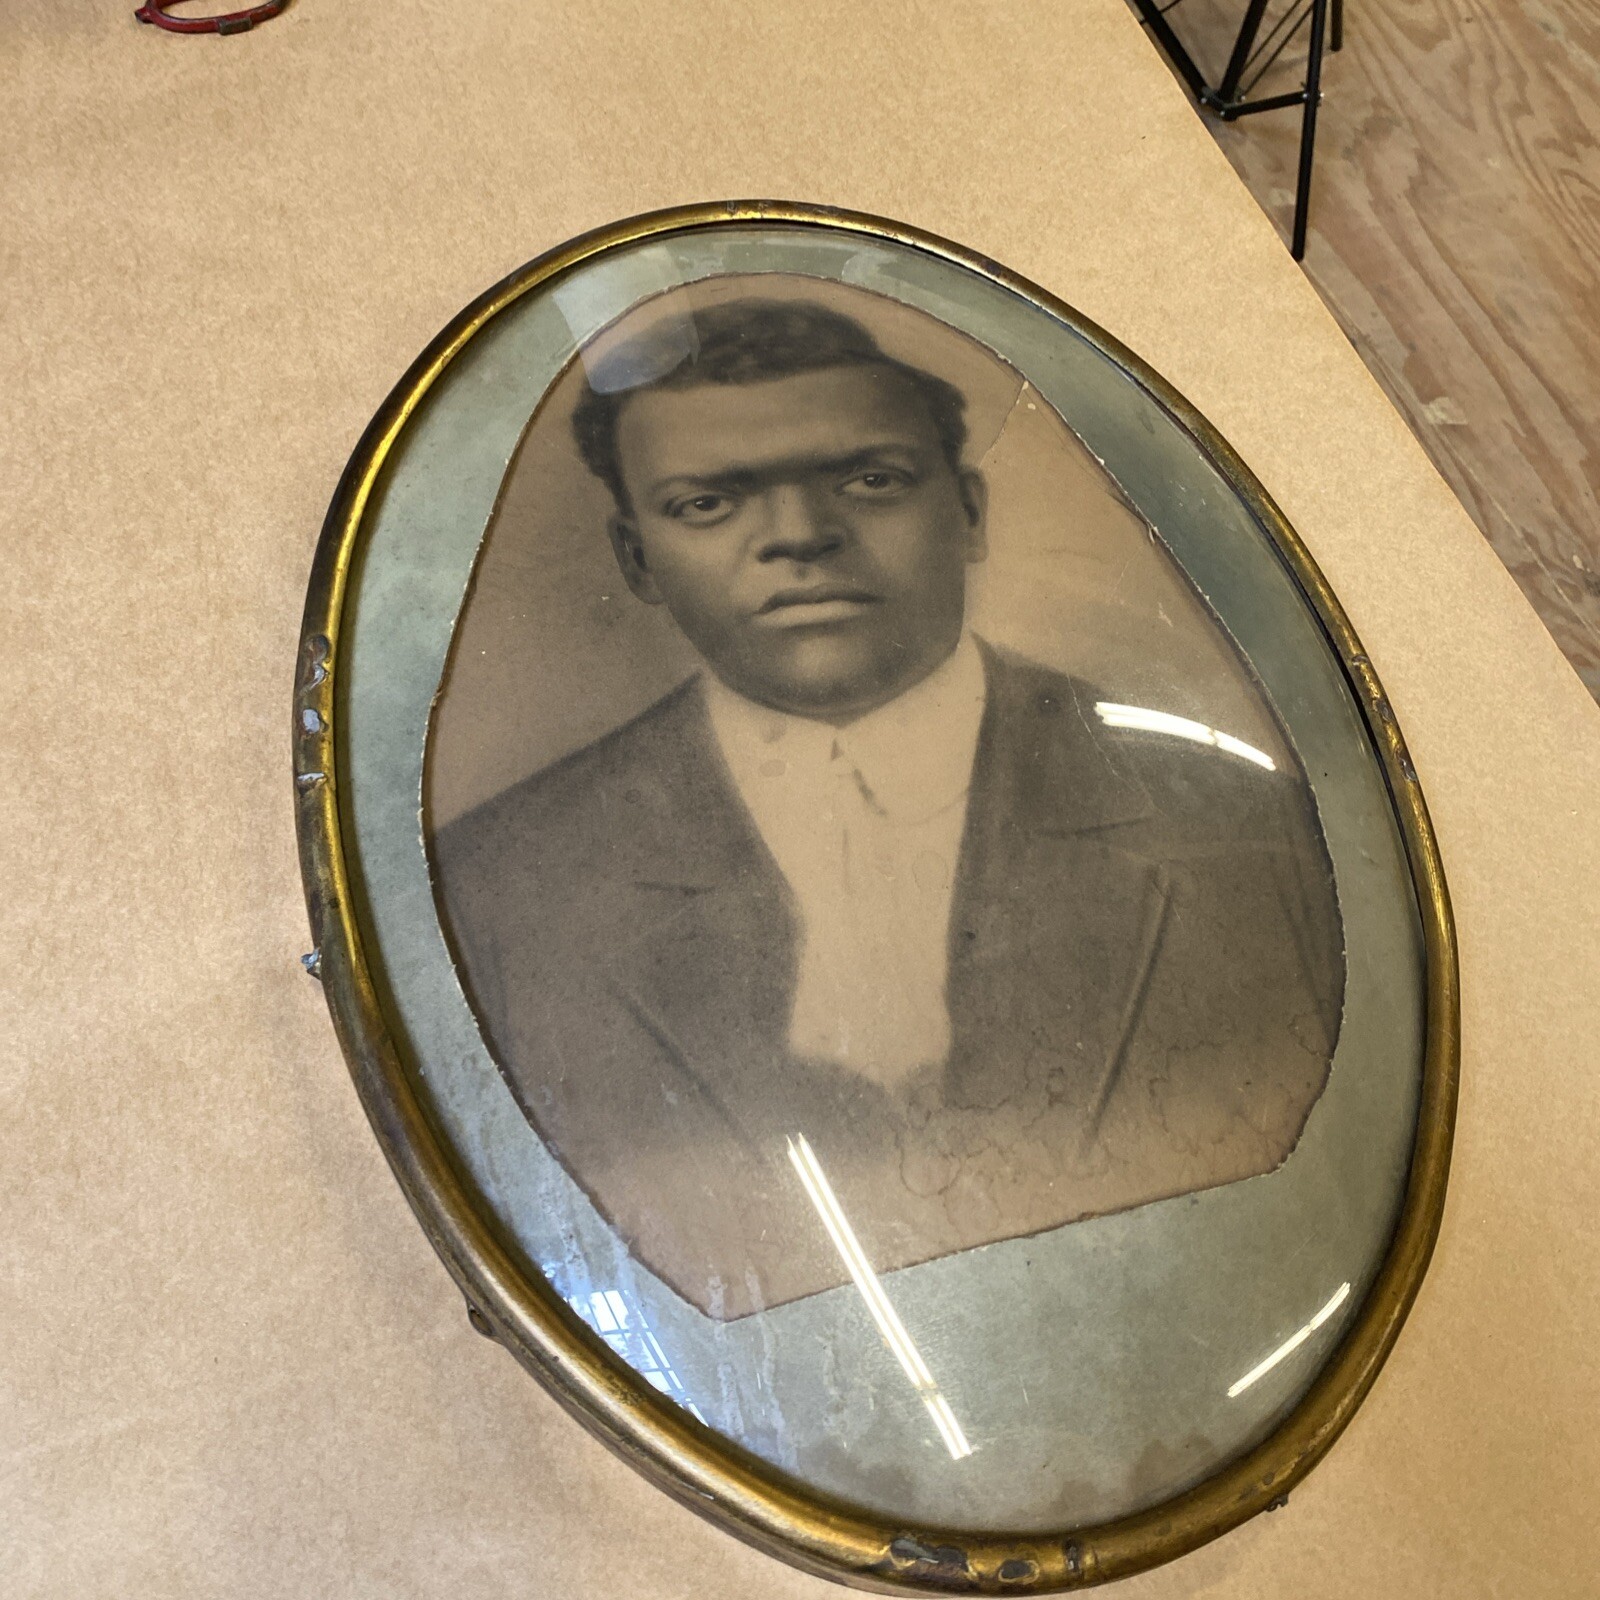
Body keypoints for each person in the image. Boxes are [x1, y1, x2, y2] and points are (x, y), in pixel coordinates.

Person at [431, 298, 1343, 1320]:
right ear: (636, 558)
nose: (801, 538)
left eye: (870, 479)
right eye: (707, 504)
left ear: (969, 510)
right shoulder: (500, 888)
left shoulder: (1242, 828)